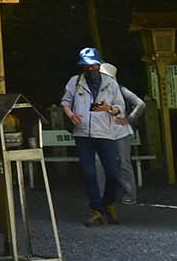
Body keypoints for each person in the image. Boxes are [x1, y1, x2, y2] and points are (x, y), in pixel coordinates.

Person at [61, 47, 128, 225]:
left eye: (93, 65)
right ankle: (96, 209)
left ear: (99, 65)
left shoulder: (110, 83)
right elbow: (65, 102)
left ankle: (109, 203)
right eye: (86, 66)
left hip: (105, 132)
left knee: (113, 172)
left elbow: (120, 107)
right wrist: (71, 115)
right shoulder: (75, 82)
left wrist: (109, 109)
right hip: (82, 132)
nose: (90, 69)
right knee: (89, 173)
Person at [97, 62, 148, 204]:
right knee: (99, 162)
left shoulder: (120, 89)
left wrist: (129, 119)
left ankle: (130, 195)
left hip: (121, 133)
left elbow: (141, 104)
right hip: (103, 132)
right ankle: (101, 195)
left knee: (123, 163)